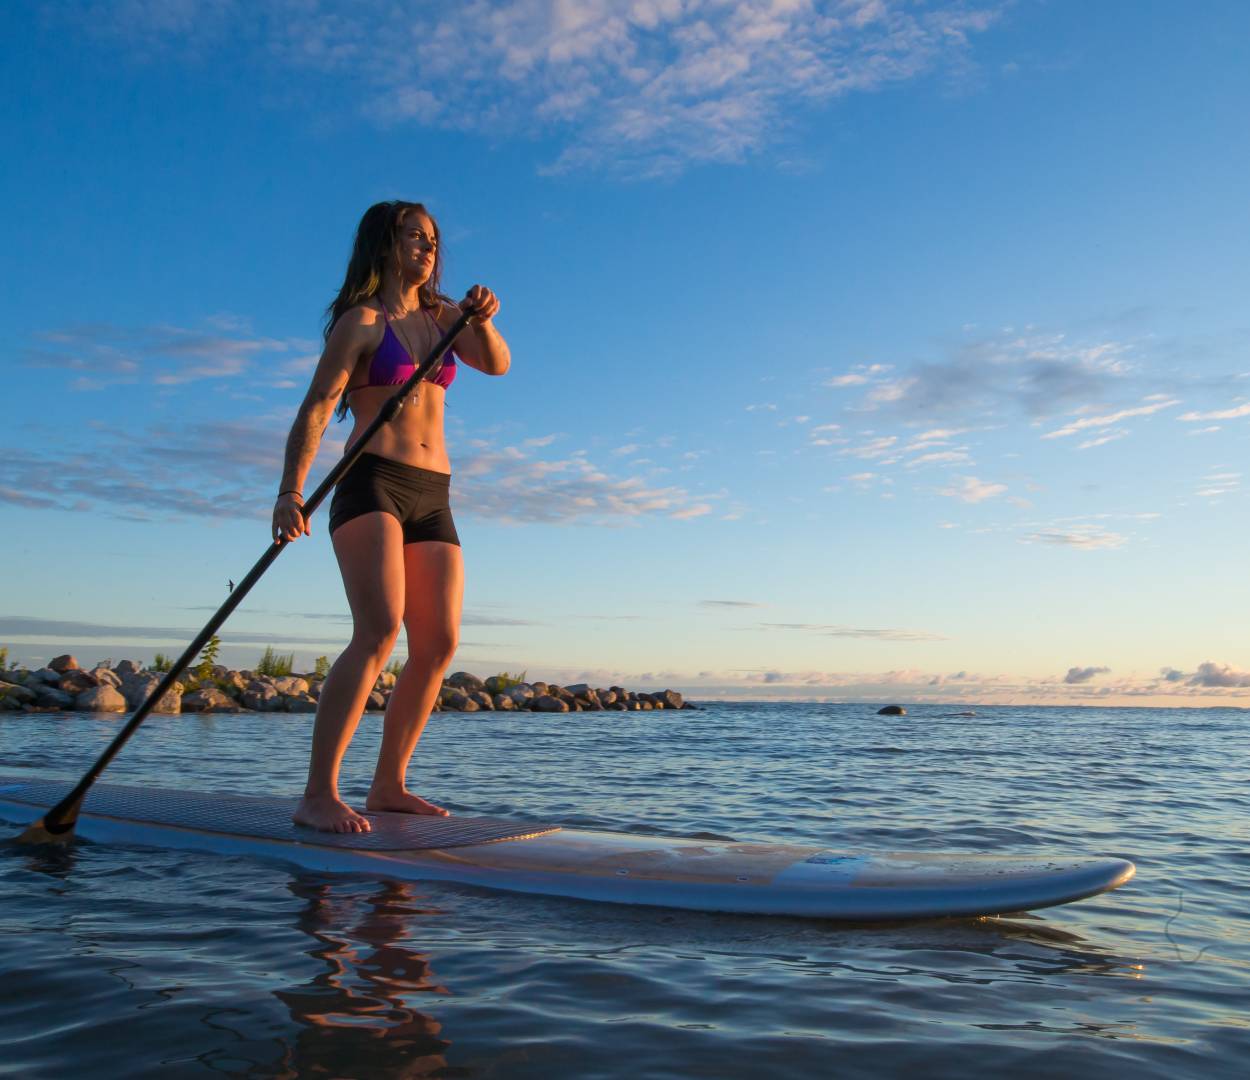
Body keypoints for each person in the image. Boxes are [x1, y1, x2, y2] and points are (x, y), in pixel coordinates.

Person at [273, 200, 509, 833]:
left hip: (434, 491)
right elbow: (319, 407)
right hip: (370, 481)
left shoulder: (445, 316)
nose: (428, 248)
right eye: (414, 236)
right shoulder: (362, 322)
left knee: (438, 642)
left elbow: (497, 362)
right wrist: (290, 492)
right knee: (379, 630)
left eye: (433, 239)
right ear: (383, 244)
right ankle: (318, 793)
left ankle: (388, 785)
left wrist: (481, 317)